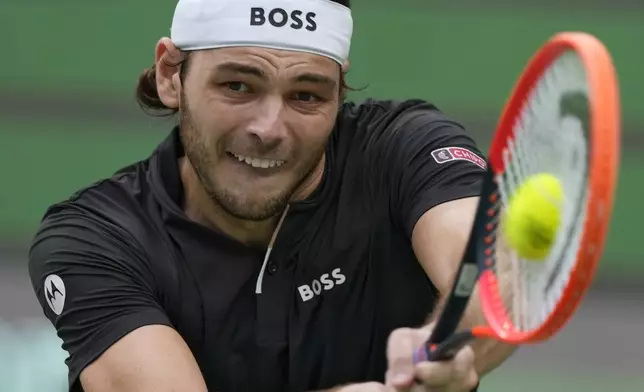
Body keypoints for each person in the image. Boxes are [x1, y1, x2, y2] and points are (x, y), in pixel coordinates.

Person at [28, 0, 516, 391]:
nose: (269, 129)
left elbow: (495, 269)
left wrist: (442, 349)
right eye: (238, 85)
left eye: (307, 95)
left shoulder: (401, 148)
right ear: (170, 74)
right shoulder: (96, 240)